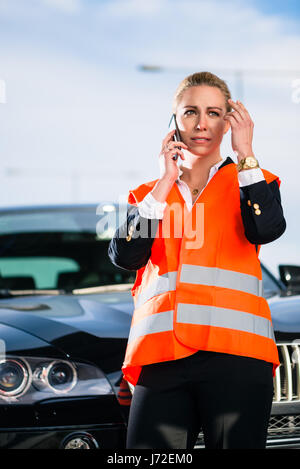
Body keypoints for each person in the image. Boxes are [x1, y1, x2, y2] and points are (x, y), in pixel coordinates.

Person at [108, 71, 286, 449]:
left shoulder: (254, 181)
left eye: (214, 113)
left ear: (230, 122)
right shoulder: (148, 195)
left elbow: (267, 229)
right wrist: (164, 182)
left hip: (236, 355)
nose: (202, 123)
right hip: (161, 357)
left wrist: (245, 154)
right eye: (190, 112)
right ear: (173, 122)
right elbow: (125, 256)